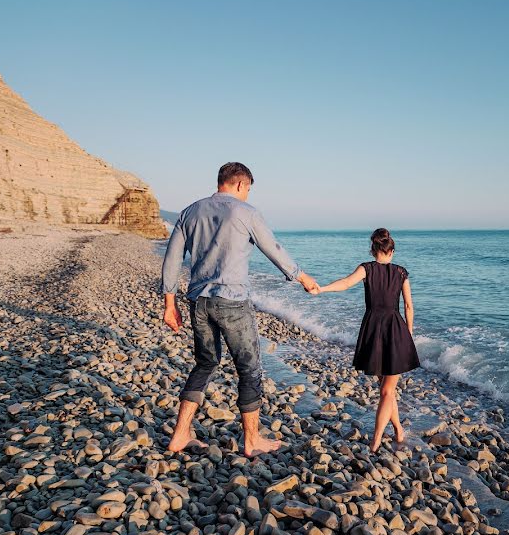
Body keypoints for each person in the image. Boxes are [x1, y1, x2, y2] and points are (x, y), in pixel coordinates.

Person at [160, 162, 319, 456]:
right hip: (232, 302)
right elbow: (273, 248)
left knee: (206, 364)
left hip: (198, 302)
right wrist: (303, 278)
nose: (246, 194)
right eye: (247, 189)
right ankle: (252, 440)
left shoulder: (190, 212)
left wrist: (170, 304)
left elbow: (171, 260)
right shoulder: (246, 212)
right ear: (240, 185)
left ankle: (180, 435)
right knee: (249, 369)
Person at [316, 228, 419, 453]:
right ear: (391, 251)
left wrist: (322, 289)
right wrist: (408, 335)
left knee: (386, 390)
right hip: (395, 331)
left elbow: (344, 283)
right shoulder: (401, 272)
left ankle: (379, 439)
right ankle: (392, 433)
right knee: (386, 390)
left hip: (373, 330)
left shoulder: (366, 269)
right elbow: (409, 306)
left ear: (374, 251)